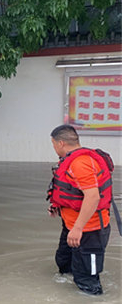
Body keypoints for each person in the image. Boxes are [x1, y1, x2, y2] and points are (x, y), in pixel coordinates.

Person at [47, 124, 114, 295]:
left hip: (89, 230)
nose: (54, 148)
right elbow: (73, 193)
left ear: (60, 143)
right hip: (72, 226)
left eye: (53, 144)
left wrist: (78, 229)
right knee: (64, 265)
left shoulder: (80, 163)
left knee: (87, 282)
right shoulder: (72, 160)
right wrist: (58, 206)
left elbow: (93, 197)